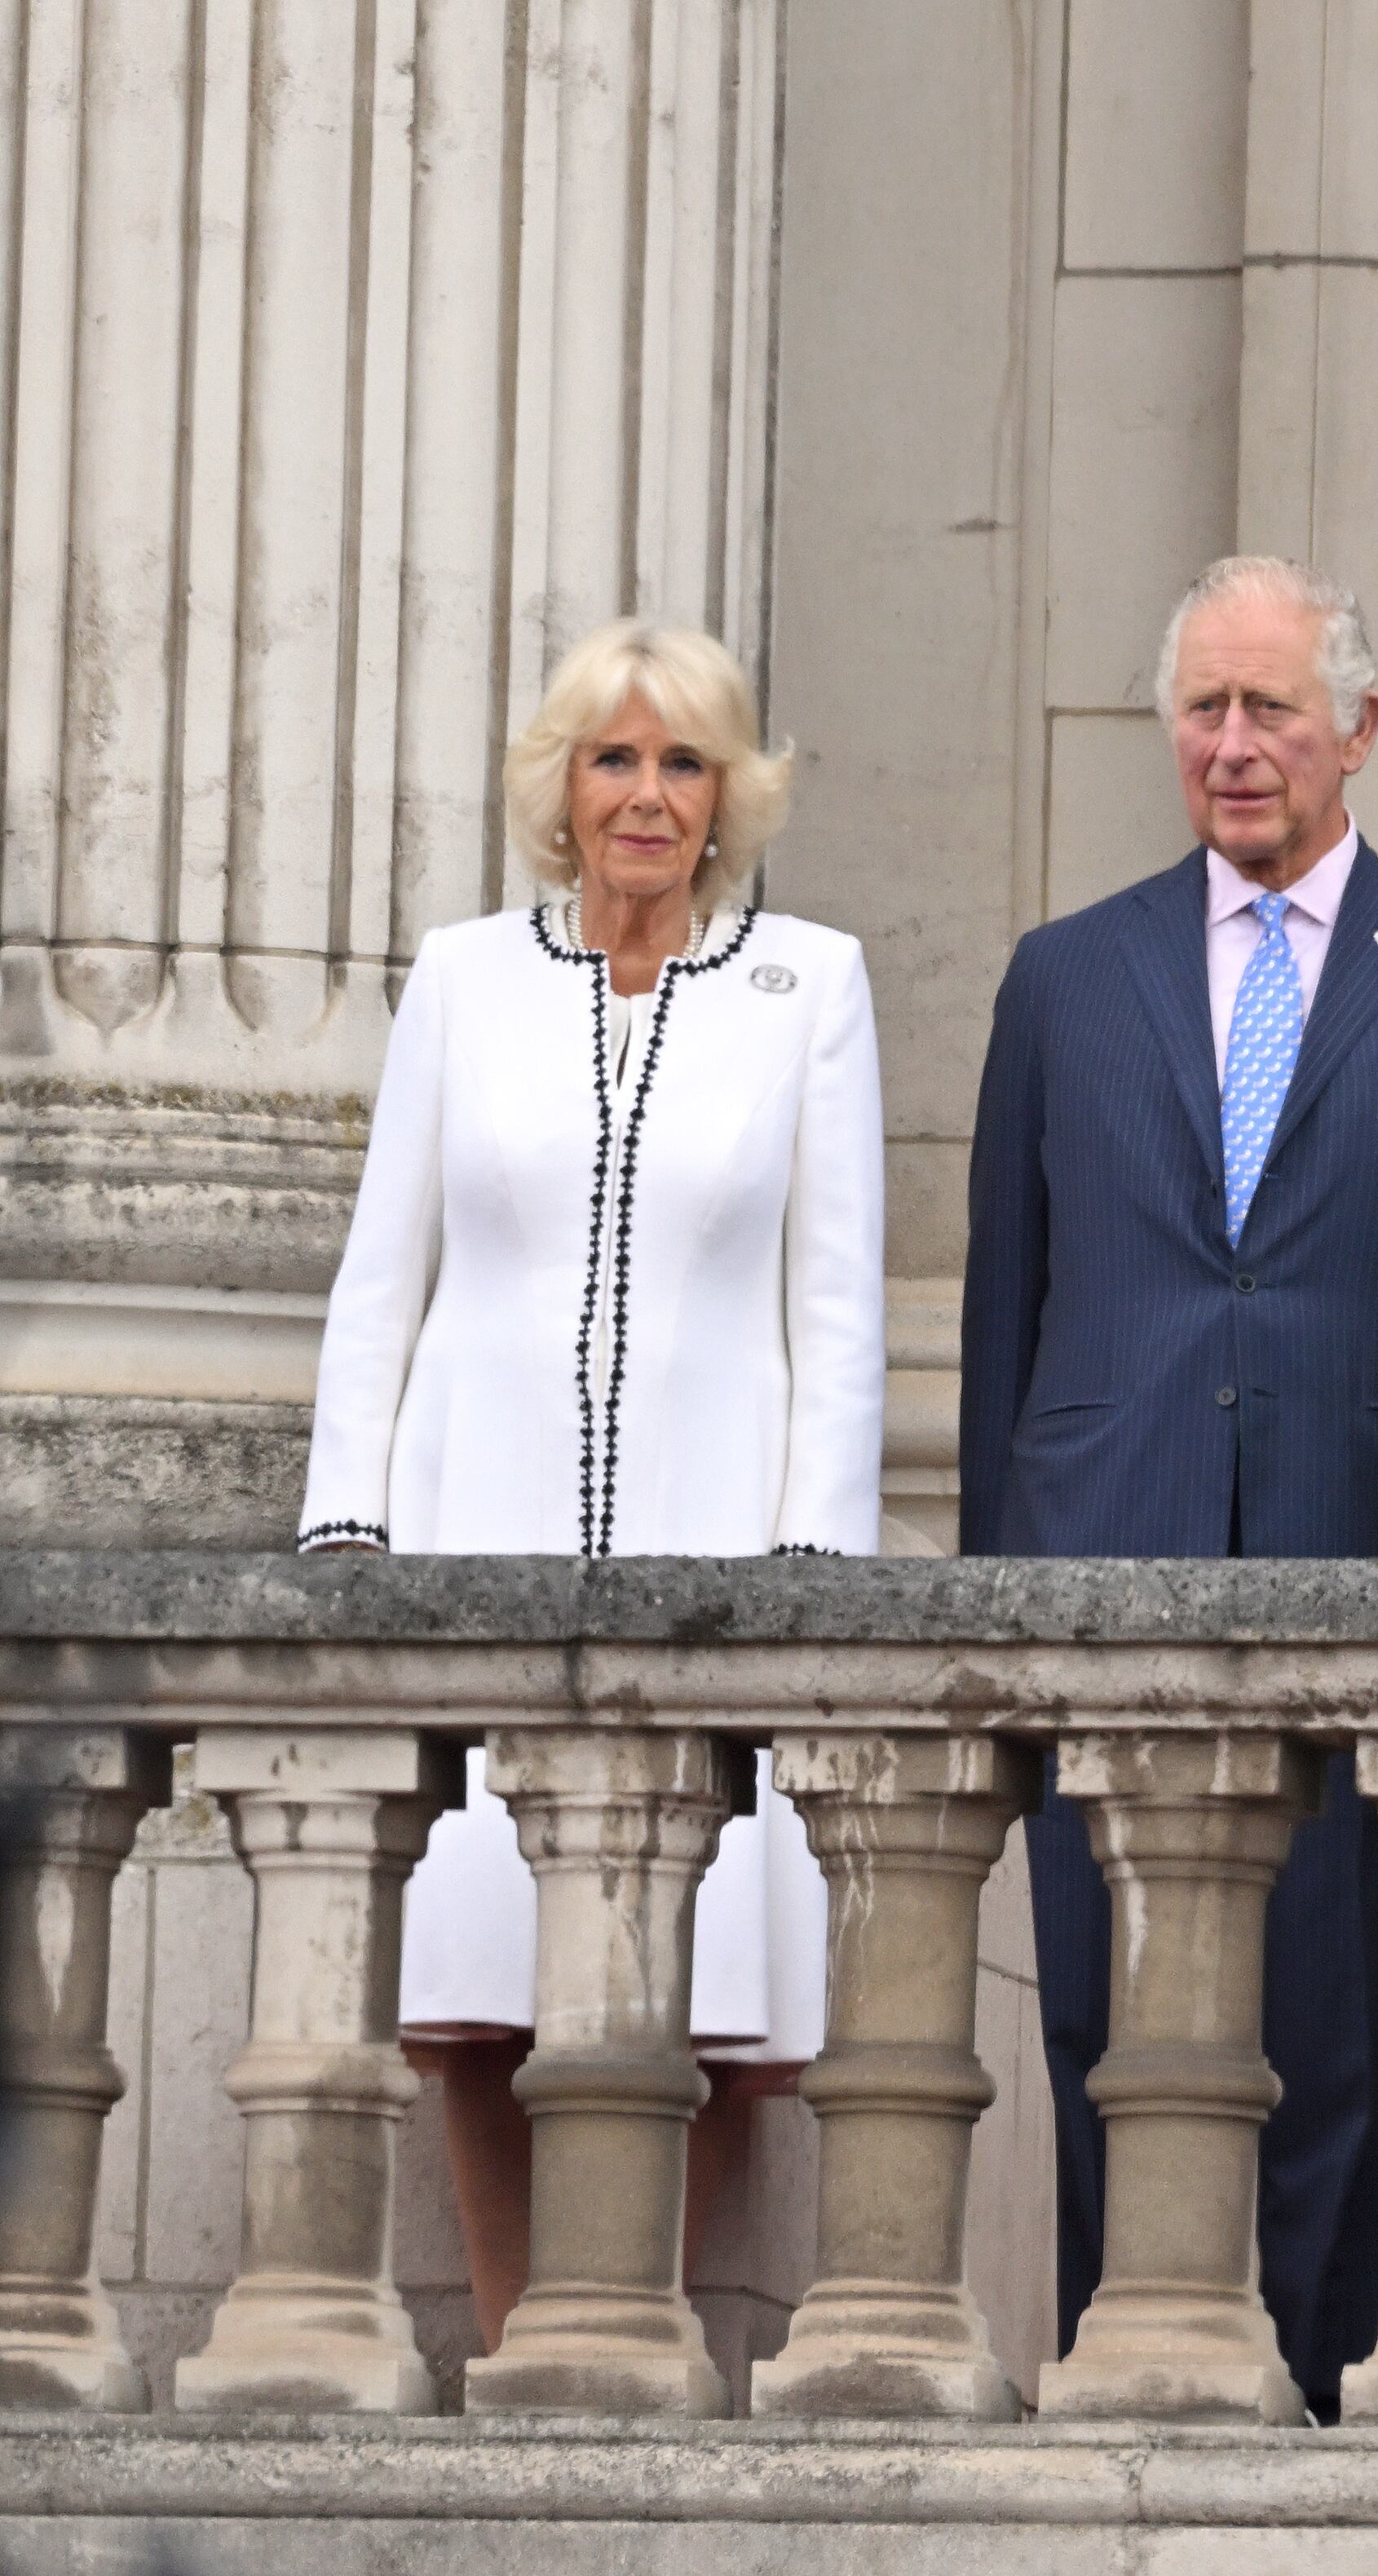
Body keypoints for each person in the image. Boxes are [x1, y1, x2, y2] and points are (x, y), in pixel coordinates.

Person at [963, 555, 1378, 2415]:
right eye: (1205, 711)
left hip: (1364, 1586)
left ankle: (1307, 2411)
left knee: (1334, 2031)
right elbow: (1007, 1314)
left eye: (1271, 710)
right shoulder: (1066, 978)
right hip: (1103, 1574)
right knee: (1104, 2023)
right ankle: (1116, 2393)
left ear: (1358, 730)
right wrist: (997, 1618)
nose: (1233, 747)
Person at [296, 618, 881, 2352]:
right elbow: (380, 1276)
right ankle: (510, 2342)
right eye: (614, 757)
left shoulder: (810, 986)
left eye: (682, 761)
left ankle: (641, 2347)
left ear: (730, 795)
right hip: (478, 1528)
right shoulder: (465, 977)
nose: (646, 794)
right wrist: (348, 1529)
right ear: (563, 782)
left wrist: (814, 1570)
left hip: (722, 1548)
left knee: (704, 1998)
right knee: (480, 1992)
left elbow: (836, 1300)